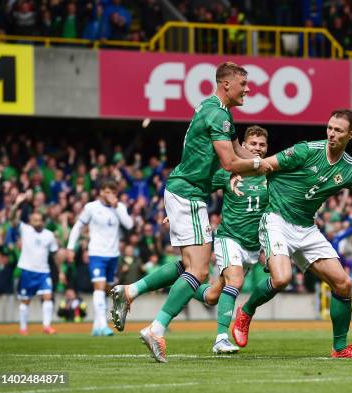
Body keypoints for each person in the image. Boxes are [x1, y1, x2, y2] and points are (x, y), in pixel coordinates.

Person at [110, 62, 272, 363]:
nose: (248, 89)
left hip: (184, 193)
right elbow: (229, 163)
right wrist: (261, 166)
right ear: (226, 85)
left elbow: (240, 152)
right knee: (197, 271)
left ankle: (130, 291)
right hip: (189, 194)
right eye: (243, 83)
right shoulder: (218, 115)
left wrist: (272, 162)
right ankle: (156, 329)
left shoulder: (217, 110)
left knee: (190, 265)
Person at [231, 109, 352, 358]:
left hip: (307, 228)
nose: (331, 133)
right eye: (329, 127)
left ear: (351, 134)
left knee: (343, 284)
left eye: (338, 130)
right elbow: (266, 165)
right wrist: (238, 171)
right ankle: (246, 312)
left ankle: (340, 348)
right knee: (282, 278)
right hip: (276, 219)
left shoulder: (351, 171)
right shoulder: (306, 150)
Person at [198, 125, 270, 354]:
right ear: (243, 146)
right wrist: (176, 211)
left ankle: (186, 282)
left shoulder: (272, 174)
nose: (257, 149)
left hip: (252, 246)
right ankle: (221, 339)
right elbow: (199, 189)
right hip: (229, 237)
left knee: (211, 296)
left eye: (262, 145)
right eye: (253, 144)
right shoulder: (227, 172)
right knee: (236, 282)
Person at [66, 179, 134, 336]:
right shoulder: (91, 207)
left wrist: (117, 206)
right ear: (101, 192)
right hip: (96, 253)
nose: (110, 195)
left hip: (113, 255)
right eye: (107, 191)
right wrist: (70, 247)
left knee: (105, 290)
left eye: (113, 192)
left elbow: (129, 225)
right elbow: (78, 226)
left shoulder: (120, 207)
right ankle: (103, 325)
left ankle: (96, 326)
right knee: (99, 286)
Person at [11, 192, 62, 335]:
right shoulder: (25, 230)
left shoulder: (49, 235)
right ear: (30, 221)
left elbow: (54, 254)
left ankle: (46, 326)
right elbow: (12, 220)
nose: (37, 222)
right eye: (34, 220)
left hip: (44, 272)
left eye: (39, 220)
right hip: (28, 271)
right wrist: (16, 204)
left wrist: (60, 271)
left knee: (47, 297)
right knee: (25, 301)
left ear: (43, 221)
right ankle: (23, 328)